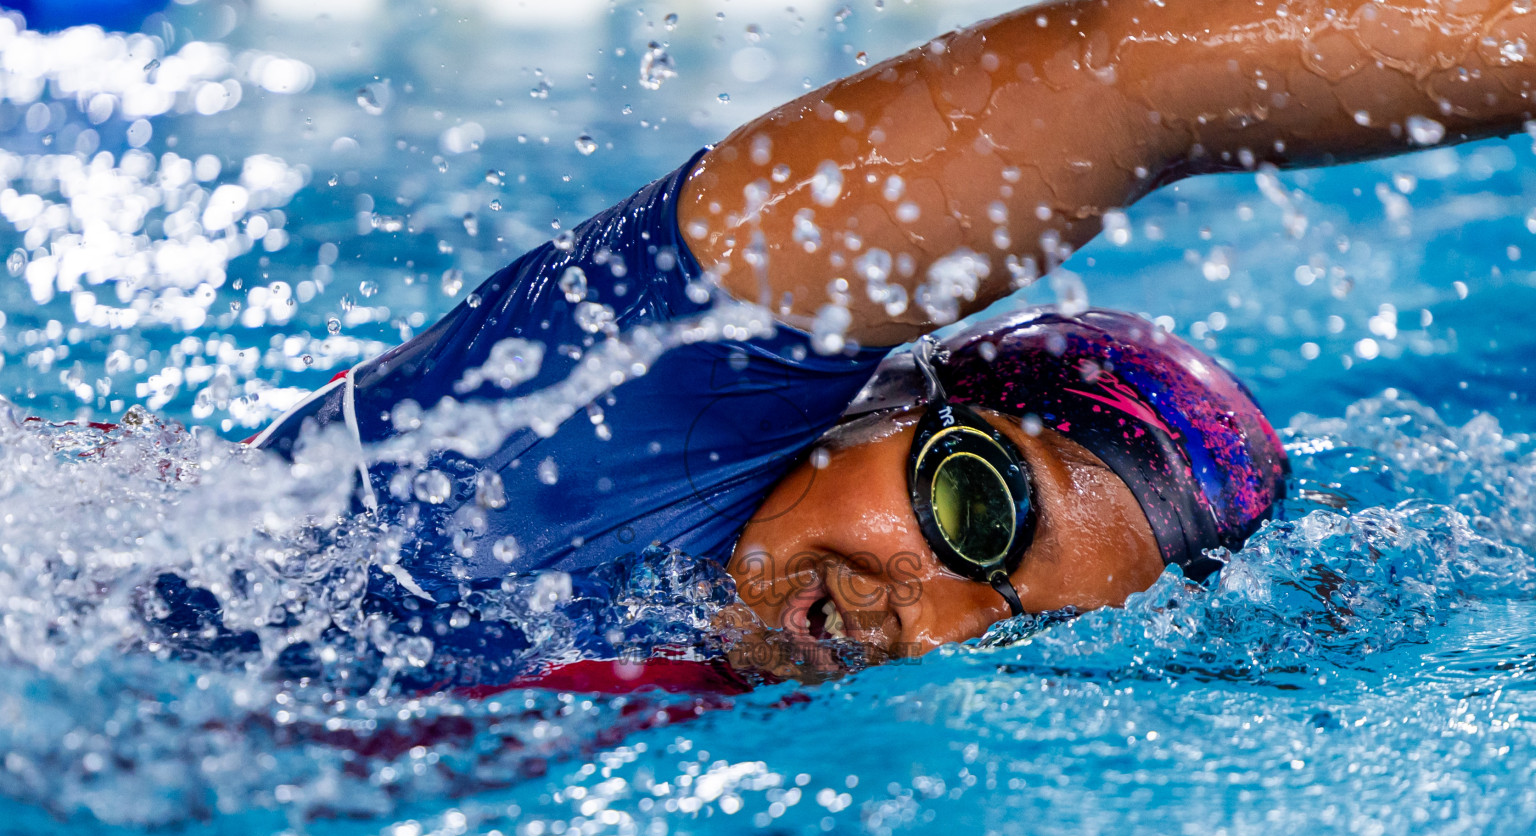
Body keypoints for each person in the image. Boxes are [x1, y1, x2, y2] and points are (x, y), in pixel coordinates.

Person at [241, 0, 1536, 680]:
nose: (938, 626)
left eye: (1019, 634)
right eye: (977, 511)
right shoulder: (618, 413)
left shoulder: (749, 682)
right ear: (884, 394)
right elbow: (1122, 80)